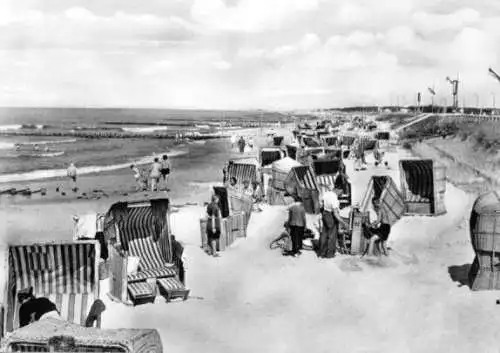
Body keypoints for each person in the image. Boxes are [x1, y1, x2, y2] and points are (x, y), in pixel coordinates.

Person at [317, 184, 349, 258]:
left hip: (324, 213)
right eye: (342, 192)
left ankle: (321, 253)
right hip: (330, 215)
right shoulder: (334, 198)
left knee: (324, 234)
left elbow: (321, 205)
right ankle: (330, 254)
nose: (341, 194)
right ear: (339, 189)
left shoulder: (327, 193)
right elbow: (335, 214)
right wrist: (343, 223)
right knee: (332, 235)